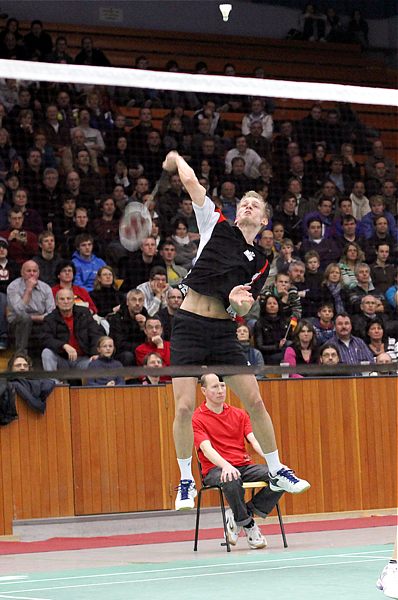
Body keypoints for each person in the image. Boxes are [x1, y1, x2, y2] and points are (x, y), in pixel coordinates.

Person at [162, 150, 310, 511]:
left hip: (223, 332)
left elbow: (242, 307)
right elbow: (192, 183)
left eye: (254, 205)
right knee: (183, 409)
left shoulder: (261, 262)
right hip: (190, 326)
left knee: (256, 401)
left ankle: (276, 468)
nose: (247, 206)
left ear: (263, 220)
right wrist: (178, 158)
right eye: (244, 202)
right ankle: (185, 480)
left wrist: (236, 301)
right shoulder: (216, 224)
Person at [193, 373, 283, 549]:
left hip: (243, 465)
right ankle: (248, 525)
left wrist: (274, 462)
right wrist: (226, 465)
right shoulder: (197, 417)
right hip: (215, 470)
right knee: (231, 478)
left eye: (222, 386)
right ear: (203, 390)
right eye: (214, 387)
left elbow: (255, 440)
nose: (220, 390)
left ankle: (240, 516)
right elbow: (206, 449)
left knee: (281, 476)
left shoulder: (239, 414)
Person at [41, 288, 103, 373]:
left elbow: (96, 334)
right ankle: (52, 383)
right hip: (62, 360)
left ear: (74, 301)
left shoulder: (84, 313)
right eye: (62, 299)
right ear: (56, 302)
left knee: (98, 361)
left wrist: (95, 353)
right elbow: (46, 339)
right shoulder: (50, 319)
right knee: (46, 353)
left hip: (83, 359)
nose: (66, 301)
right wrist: (63, 345)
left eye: (69, 298)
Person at [7, 260, 55, 353]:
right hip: (17, 322)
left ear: (38, 273)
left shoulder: (46, 288)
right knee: (24, 318)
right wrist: (28, 290)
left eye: (34, 271)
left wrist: (33, 318)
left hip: (41, 321)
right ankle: (21, 354)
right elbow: (19, 311)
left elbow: (51, 313)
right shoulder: (13, 287)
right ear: (22, 273)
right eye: (28, 271)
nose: (32, 274)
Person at [109, 289, 148, 366]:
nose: (137, 303)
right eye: (134, 300)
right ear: (127, 302)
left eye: (140, 300)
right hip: (121, 354)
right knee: (128, 356)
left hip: (142, 351)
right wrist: (141, 348)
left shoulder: (147, 317)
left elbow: (153, 339)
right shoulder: (117, 318)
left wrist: (143, 328)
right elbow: (119, 344)